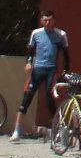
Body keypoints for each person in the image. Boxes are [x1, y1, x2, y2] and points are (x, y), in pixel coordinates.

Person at [11, 9, 70, 140]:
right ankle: (16, 131)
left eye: (50, 20)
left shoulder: (61, 34)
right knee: (27, 97)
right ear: (41, 21)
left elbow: (66, 55)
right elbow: (30, 51)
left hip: (51, 70)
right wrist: (28, 62)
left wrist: (65, 71)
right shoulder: (36, 33)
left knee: (49, 98)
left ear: (54, 20)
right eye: (45, 20)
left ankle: (58, 128)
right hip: (37, 70)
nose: (48, 22)